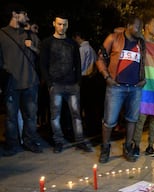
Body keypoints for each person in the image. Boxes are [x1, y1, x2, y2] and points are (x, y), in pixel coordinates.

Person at [39, 12, 93, 153]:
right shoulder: (47, 43)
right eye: (59, 24)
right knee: (55, 116)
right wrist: (50, 84)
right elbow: (43, 64)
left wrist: (78, 83)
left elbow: (77, 63)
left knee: (76, 115)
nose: (61, 27)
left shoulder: (72, 44)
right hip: (56, 85)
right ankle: (58, 141)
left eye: (64, 24)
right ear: (54, 24)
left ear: (67, 25)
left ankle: (80, 141)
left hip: (72, 85)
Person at [95, 15, 146, 163]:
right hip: (116, 87)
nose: (140, 30)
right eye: (137, 26)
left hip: (135, 88)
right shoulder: (113, 38)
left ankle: (128, 147)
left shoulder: (141, 43)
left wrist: (143, 79)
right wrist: (106, 77)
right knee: (109, 121)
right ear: (128, 25)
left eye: (141, 27)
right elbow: (100, 58)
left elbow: (150, 57)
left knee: (132, 119)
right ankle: (105, 148)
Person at [0, 4, 43, 156]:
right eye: (25, 14)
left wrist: (33, 47)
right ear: (15, 14)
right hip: (12, 84)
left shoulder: (31, 35)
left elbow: (43, 55)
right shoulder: (2, 34)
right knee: (11, 118)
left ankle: (29, 141)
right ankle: (13, 145)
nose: (27, 18)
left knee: (31, 116)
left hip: (31, 83)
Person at [132, 15, 154, 157]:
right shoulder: (139, 42)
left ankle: (151, 145)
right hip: (142, 85)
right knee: (141, 117)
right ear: (147, 27)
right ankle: (136, 145)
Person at [72, 30, 100, 137]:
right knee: (91, 106)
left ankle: (88, 128)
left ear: (78, 37)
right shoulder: (92, 49)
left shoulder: (82, 49)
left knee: (84, 106)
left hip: (84, 80)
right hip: (91, 79)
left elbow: (80, 66)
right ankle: (93, 127)